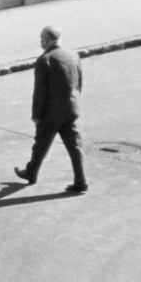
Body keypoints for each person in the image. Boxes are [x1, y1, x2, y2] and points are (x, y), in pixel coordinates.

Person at [15, 25, 88, 194]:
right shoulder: (73, 55)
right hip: (71, 110)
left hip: (50, 113)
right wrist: (73, 103)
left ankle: (31, 173)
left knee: (40, 146)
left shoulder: (44, 60)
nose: (40, 41)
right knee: (75, 147)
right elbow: (79, 82)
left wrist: (36, 114)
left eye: (42, 38)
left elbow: (40, 90)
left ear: (47, 40)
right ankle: (81, 181)